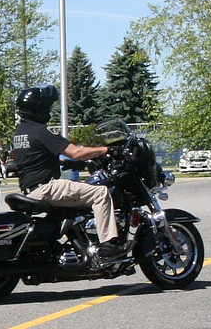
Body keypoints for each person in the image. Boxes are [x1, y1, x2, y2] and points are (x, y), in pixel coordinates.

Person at [11, 85, 130, 261]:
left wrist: (63, 162)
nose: (49, 111)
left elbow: (33, 157)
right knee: (100, 192)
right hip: (48, 188)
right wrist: (107, 149)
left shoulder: (20, 133)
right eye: (47, 107)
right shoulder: (41, 132)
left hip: (32, 189)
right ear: (38, 108)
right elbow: (76, 152)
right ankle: (108, 245)